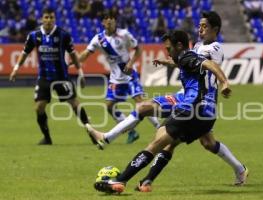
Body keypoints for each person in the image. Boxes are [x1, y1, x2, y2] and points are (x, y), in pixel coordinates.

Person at [87, 11, 248, 191]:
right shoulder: (196, 47)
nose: (200, 29)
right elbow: (187, 62)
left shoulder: (214, 48)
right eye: (199, 25)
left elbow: (207, 64)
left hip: (193, 101)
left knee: (154, 130)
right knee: (199, 142)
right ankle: (146, 180)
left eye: (204, 26)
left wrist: (224, 81)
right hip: (200, 103)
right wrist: (169, 62)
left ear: (215, 29)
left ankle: (116, 161)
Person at [9, 7, 95, 145]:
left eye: (51, 18)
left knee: (74, 104)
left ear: (55, 19)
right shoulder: (34, 35)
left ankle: (92, 133)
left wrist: (81, 72)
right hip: (44, 77)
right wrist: (16, 68)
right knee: (39, 107)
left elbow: (73, 54)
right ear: (42, 19)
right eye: (46, 17)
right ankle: (47, 138)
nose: (49, 20)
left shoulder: (63, 35)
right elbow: (25, 53)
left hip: (62, 76)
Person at [77, 10, 160, 144]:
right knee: (109, 106)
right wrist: (73, 61)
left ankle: (159, 128)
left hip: (129, 75)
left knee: (141, 102)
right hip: (115, 78)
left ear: (115, 21)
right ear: (103, 22)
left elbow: (138, 48)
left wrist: (131, 62)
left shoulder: (124, 34)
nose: (109, 20)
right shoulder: (98, 39)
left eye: (112, 18)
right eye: (106, 18)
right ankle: (131, 132)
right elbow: (86, 54)